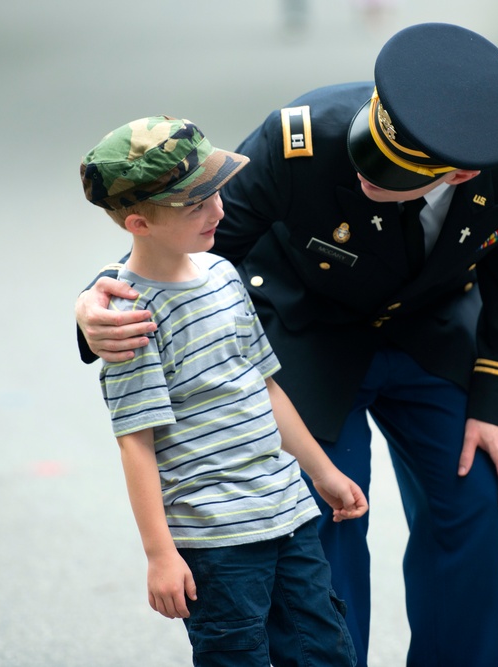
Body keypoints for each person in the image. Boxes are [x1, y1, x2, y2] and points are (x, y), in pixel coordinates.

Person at [77, 23, 498, 667]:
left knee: (476, 505)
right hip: (307, 334)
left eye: (389, 175)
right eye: (368, 151)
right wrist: (100, 300)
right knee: (326, 520)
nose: (365, 175)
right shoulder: (301, 137)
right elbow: (183, 242)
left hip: (434, 337)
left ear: (461, 172)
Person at [80, 115, 368, 667]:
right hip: (217, 540)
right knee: (237, 657)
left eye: (216, 193)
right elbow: (135, 443)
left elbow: (265, 388)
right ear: (138, 223)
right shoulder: (131, 318)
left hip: (288, 510)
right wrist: (160, 554)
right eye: (195, 205)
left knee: (324, 650)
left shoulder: (223, 273)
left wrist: (323, 474)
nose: (219, 211)